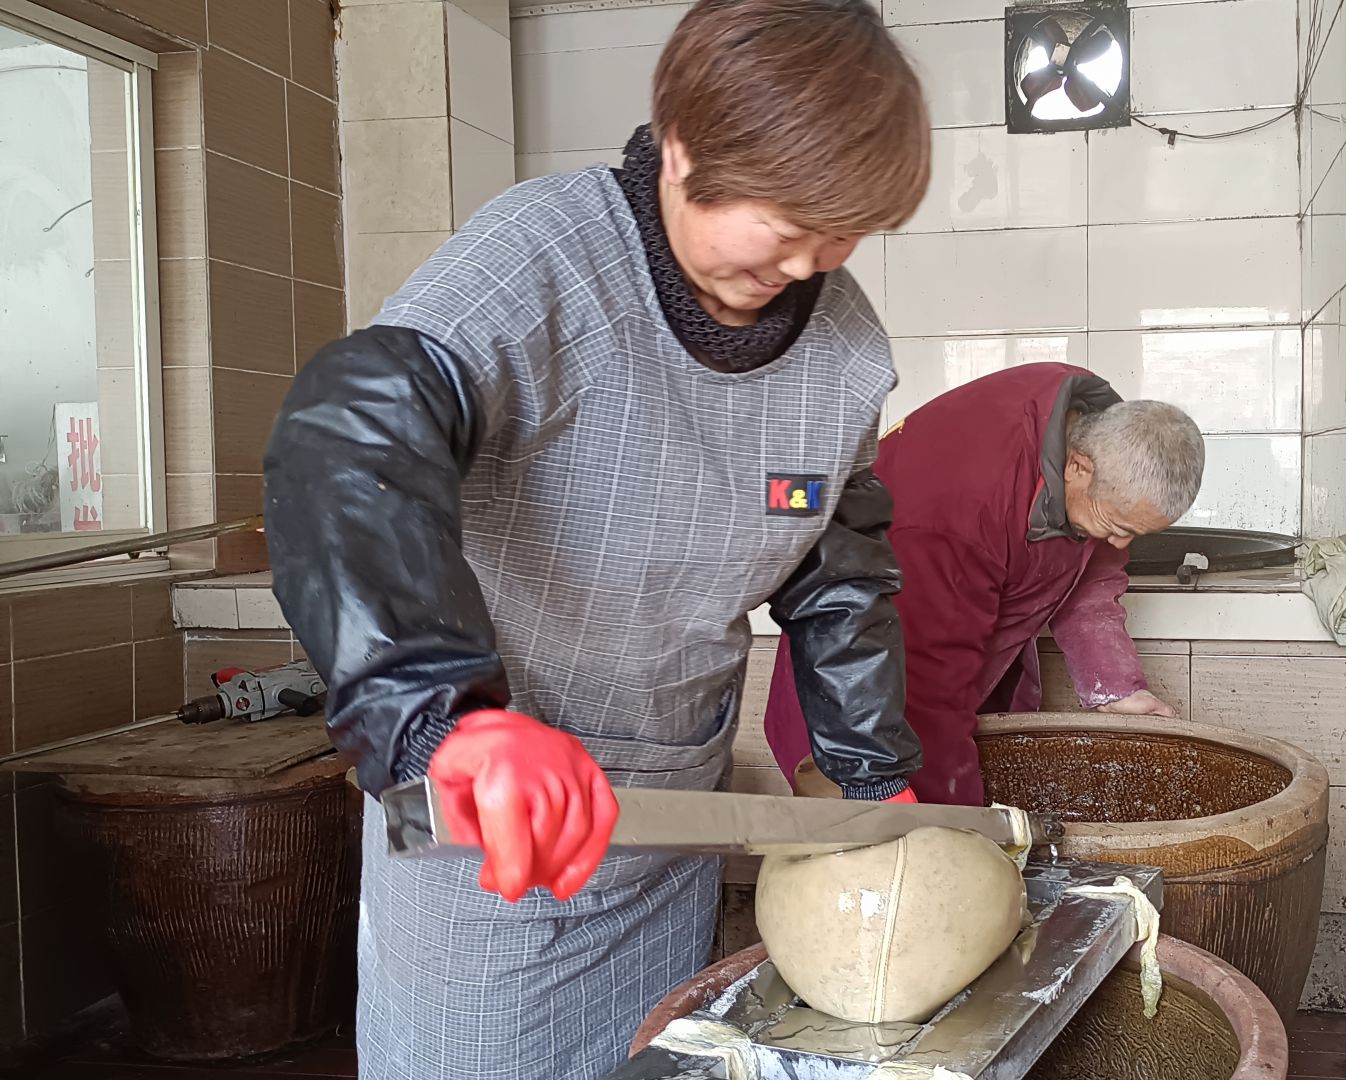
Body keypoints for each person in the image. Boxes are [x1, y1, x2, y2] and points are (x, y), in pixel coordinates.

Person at [259, 3, 930, 1077]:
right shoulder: (543, 255)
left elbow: (834, 571)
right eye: (785, 221)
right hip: (493, 810)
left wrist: (869, 771)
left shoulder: (846, 347)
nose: (808, 263)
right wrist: (440, 718)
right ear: (684, 146)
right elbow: (350, 442)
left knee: (649, 1055)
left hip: (668, 819)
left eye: (842, 231)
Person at [762, 363, 1206, 805]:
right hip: (857, 699)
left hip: (957, 661)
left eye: (1134, 532)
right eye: (1118, 527)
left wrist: (1115, 686)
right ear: (1077, 466)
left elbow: (1094, 569)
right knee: (871, 835)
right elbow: (931, 686)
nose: (1121, 543)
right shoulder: (961, 509)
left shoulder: (1093, 432)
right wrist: (961, 819)